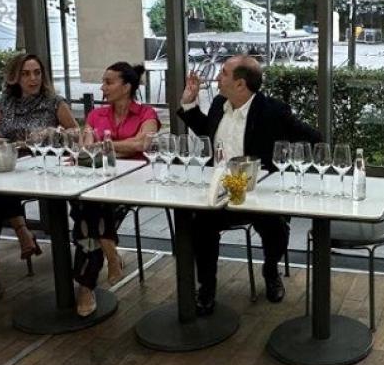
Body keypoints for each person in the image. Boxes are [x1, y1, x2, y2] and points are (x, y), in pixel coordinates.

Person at [179, 54, 321, 313]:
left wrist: (291, 170)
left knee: (276, 227)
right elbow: (207, 131)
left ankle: (271, 271)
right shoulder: (219, 104)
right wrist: (189, 104)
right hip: (220, 191)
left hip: (258, 192)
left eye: (223, 73)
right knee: (200, 225)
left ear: (240, 84)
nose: (217, 77)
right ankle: (206, 287)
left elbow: (313, 138)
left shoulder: (273, 111)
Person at [0, 53, 77, 289]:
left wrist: (53, 132)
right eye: (26, 74)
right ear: (15, 77)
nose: (33, 79)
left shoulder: (54, 102)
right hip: (12, 161)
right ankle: (9, 241)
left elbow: (75, 133)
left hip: (44, 167)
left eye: (37, 73)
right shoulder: (4, 101)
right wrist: (19, 144)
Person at [71, 62, 159, 316]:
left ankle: (86, 287)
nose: (102, 87)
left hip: (133, 184)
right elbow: (85, 148)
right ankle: (110, 254)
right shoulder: (96, 115)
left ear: (127, 86)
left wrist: (105, 145)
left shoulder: (146, 113)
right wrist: (119, 146)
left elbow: (142, 144)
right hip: (97, 181)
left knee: (87, 211)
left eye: (108, 82)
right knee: (89, 205)